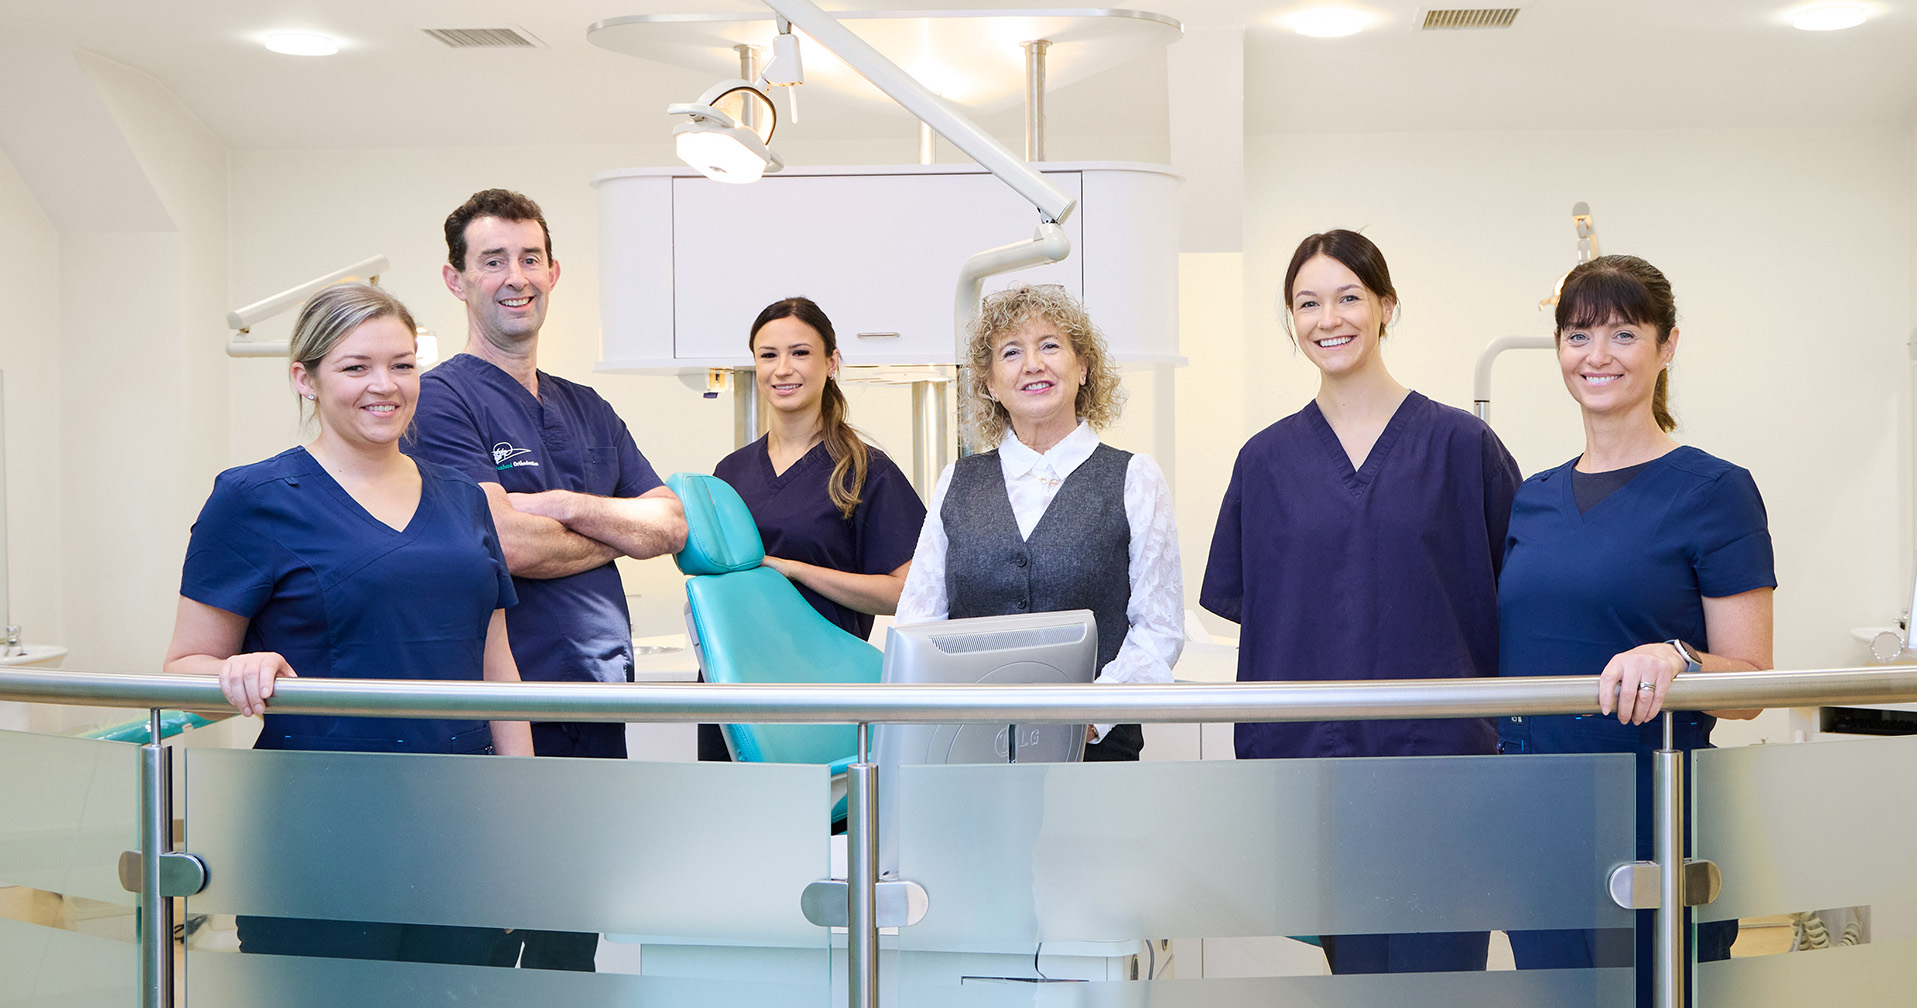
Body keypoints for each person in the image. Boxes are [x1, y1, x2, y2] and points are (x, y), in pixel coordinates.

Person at [163, 282, 530, 964]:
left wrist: (520, 817)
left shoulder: (464, 499)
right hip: (315, 828)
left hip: (459, 823)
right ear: (304, 378)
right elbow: (183, 668)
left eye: (401, 364)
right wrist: (237, 668)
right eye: (356, 367)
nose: (384, 386)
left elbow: (496, 671)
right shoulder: (252, 498)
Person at [1199, 229, 1520, 975]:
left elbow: (1516, 595)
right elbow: (1274, 612)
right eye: (1306, 303)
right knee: (1352, 977)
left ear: (1385, 307)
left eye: (1348, 296)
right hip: (1316, 765)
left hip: (1437, 765)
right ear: (1290, 320)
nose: (1328, 318)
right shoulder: (1266, 460)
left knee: (1439, 974)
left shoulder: (1462, 446)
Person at [403, 188, 688, 971]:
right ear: (456, 279)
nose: (514, 276)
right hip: (505, 713)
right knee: (485, 941)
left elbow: (670, 525)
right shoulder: (437, 400)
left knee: (572, 940)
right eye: (492, 261)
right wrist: (614, 529)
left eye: (529, 258)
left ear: (554, 271)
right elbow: (505, 545)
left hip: (594, 706)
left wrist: (561, 504)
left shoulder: (588, 407)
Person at [1496, 254, 1774, 998]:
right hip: (1537, 820)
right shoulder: (1532, 498)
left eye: (1623, 335)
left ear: (1666, 346)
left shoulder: (1715, 491)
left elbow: (1749, 686)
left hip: (1654, 816)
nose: (1597, 356)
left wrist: (1679, 657)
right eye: (1577, 335)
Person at [895, 284, 1183, 761]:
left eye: (1050, 345)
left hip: (1094, 756)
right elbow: (919, 625)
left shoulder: (1135, 478)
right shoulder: (957, 481)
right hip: (966, 755)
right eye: (1011, 352)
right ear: (990, 383)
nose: (1033, 364)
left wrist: (1092, 715)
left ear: (1083, 366)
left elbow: (1159, 627)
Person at [704, 297, 926, 760]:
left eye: (800, 353)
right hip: (730, 686)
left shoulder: (867, 472)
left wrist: (795, 571)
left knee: (814, 823)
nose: (783, 369)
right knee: (726, 824)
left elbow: (908, 594)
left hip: (819, 690)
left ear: (831, 363)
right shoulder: (731, 472)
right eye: (768, 355)